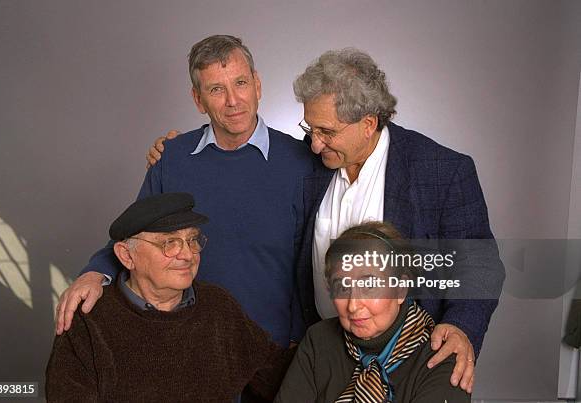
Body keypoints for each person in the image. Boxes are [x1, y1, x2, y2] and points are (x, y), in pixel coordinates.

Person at [146, 47, 505, 393]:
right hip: (320, 353)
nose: (314, 144)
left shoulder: (440, 171)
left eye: (327, 132)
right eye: (310, 128)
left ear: (368, 123)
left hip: (408, 358)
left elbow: (480, 267)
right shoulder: (312, 163)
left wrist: (461, 327)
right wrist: (176, 152)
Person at [55, 35, 316, 351]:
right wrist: (95, 272)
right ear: (198, 99)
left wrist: (297, 339)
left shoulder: (302, 163)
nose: (233, 100)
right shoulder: (173, 159)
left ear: (257, 85)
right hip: (190, 345)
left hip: (273, 349)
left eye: (241, 83)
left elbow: (310, 267)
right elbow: (134, 237)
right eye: (216, 89)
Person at [46, 192, 292, 402]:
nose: (187, 254)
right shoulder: (89, 321)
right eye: (170, 243)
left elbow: (279, 377)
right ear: (126, 256)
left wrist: (325, 343)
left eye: (192, 240)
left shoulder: (219, 306)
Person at [274, 222, 471, 403]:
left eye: (369, 285)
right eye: (342, 287)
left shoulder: (442, 357)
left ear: (400, 290)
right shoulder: (318, 341)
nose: (352, 306)